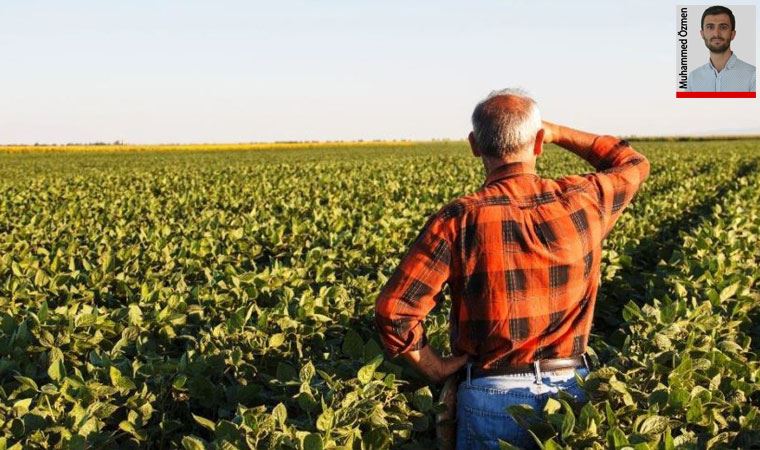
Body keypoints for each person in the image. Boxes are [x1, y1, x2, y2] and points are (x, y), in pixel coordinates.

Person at [374, 89, 650, 449]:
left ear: (474, 145)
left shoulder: (459, 218)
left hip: (490, 396)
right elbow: (632, 163)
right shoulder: (584, 198)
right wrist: (556, 132)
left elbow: (395, 311)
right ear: (538, 143)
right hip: (569, 393)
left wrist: (436, 367)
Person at [687, 5, 756, 92]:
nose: (716, 34)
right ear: (702, 34)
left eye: (723, 27)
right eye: (710, 27)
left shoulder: (753, 75)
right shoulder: (693, 78)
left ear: (733, 34)